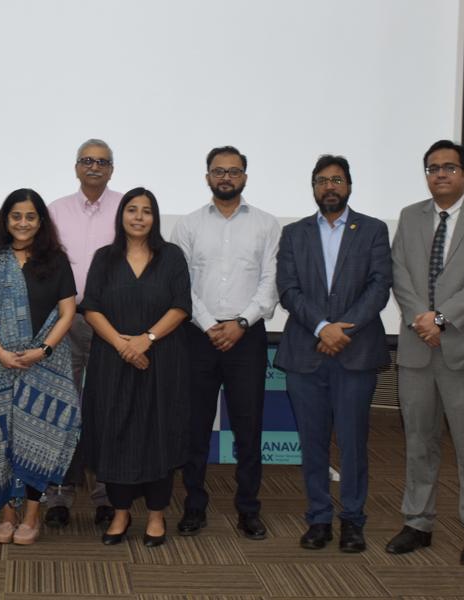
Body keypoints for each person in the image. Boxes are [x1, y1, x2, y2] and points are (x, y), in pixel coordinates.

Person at [387, 139, 464, 566]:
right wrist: (422, 318)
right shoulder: (409, 216)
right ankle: (417, 522)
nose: (441, 174)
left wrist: (440, 319)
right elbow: (399, 271)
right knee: (419, 441)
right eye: (433, 168)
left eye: (449, 167)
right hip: (417, 349)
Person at [274, 155, 392, 552]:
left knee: (354, 441)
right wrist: (323, 327)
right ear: (313, 188)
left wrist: (344, 329)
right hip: (306, 352)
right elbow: (288, 289)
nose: (330, 187)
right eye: (322, 180)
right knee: (312, 443)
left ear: (349, 186)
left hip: (355, 354)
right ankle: (319, 518)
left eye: (336, 180)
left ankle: (353, 520)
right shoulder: (293, 234)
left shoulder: (373, 230)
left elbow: (379, 286)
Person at [172, 146, 280, 540]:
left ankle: (248, 509)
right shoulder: (187, 225)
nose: (226, 178)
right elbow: (180, 283)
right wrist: (207, 324)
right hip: (197, 337)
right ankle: (194, 507)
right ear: (207, 177)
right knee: (195, 428)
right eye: (219, 171)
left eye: (234, 172)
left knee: (249, 429)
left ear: (245, 178)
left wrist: (239, 323)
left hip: (247, 337)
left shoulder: (267, 225)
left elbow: (271, 282)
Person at [80, 188, 191, 547]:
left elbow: (180, 306)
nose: (139, 217)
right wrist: (123, 345)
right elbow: (91, 308)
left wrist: (147, 339)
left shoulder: (171, 257)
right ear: (122, 215)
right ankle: (121, 513)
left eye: (146, 211)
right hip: (112, 361)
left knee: (158, 434)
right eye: (132, 210)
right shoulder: (104, 258)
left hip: (162, 361)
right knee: (116, 435)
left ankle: (157, 516)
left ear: (155, 218)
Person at [0, 189, 79, 546]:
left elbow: (67, 313)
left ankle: (32, 515)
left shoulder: (56, 261)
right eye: (16, 216)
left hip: (45, 366)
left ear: (41, 221)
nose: (22, 223)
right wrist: (0, 351)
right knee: (1, 440)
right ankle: (7, 514)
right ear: (6, 219)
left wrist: (44, 350)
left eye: (30, 217)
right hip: (0, 365)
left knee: (37, 438)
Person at [45, 138, 122, 527]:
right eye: (87, 161)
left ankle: (106, 495)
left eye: (102, 162)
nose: (94, 167)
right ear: (76, 167)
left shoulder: (127, 208)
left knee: (107, 410)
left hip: (112, 322)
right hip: (66, 319)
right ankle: (58, 495)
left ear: (112, 169)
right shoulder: (55, 210)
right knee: (62, 409)